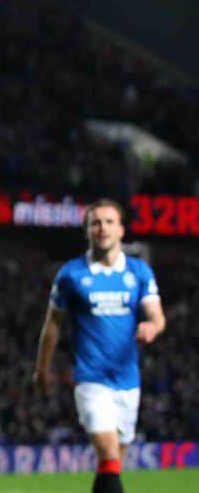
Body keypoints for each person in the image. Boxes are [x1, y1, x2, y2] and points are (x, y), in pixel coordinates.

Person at [34, 199, 166, 493]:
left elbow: (157, 315)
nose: (102, 228)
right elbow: (53, 323)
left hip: (128, 380)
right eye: (95, 222)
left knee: (112, 463)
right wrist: (42, 369)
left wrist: (154, 326)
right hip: (91, 378)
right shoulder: (71, 274)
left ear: (121, 229)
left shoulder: (139, 271)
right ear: (87, 231)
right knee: (107, 453)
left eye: (108, 222)